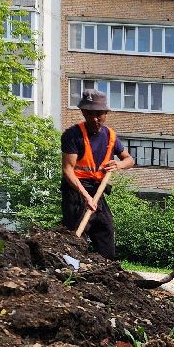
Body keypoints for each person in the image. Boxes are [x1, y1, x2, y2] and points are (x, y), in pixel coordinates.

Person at [60, 89, 133, 259]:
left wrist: (119, 164)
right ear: (83, 112)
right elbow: (67, 170)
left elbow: (129, 160)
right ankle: (72, 269)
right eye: (90, 113)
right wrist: (85, 197)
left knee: (105, 229)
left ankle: (106, 269)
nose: (94, 119)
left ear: (106, 113)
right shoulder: (72, 135)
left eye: (99, 114)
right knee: (77, 235)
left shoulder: (110, 136)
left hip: (97, 190)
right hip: (76, 191)